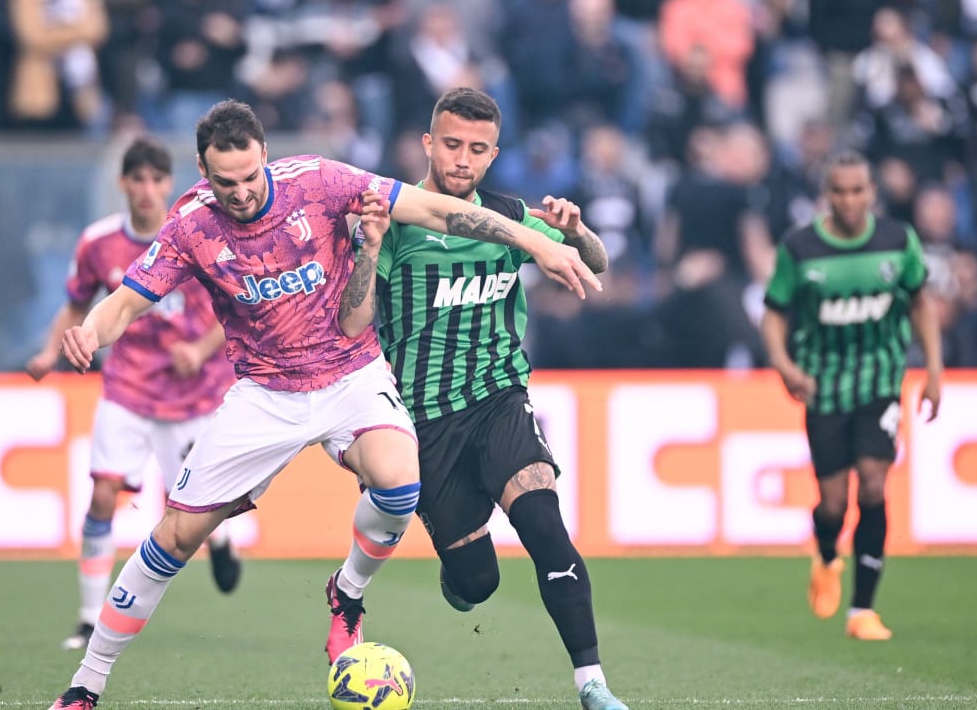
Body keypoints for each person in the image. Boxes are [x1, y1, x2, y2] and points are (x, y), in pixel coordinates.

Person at [47, 100, 601, 710]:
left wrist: (538, 243)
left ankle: (348, 593)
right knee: (174, 539)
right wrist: (89, 334)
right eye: (224, 183)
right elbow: (126, 300)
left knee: (397, 483)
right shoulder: (191, 228)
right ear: (205, 174)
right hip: (265, 393)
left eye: (250, 177)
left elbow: (438, 210)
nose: (240, 193)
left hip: (351, 375)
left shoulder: (318, 181)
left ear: (265, 156)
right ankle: (86, 685)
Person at [350, 87, 628, 710]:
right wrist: (367, 250)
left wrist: (577, 232)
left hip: (499, 397)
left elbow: (599, 263)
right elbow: (352, 321)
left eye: (477, 150)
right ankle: (461, 572)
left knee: (543, 523)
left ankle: (593, 684)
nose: (462, 160)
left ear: (494, 154)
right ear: (428, 144)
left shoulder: (511, 216)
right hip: (424, 422)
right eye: (451, 145)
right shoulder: (394, 220)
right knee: (477, 583)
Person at [26, 136, 242, 653]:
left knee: (193, 511)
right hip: (127, 390)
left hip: (193, 396)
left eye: (156, 179)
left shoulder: (194, 235)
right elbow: (76, 305)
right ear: (123, 184)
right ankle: (86, 617)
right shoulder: (98, 243)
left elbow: (235, 305)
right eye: (137, 179)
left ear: (169, 183)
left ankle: (224, 539)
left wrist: (202, 347)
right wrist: (48, 351)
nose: (147, 190)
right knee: (103, 494)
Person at [760, 150, 943, 641]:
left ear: (871, 193)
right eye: (839, 190)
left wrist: (934, 369)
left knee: (875, 486)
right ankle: (825, 555)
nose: (848, 199)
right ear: (827, 195)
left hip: (881, 380)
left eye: (857, 190)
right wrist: (784, 365)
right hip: (824, 385)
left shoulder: (896, 241)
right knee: (834, 504)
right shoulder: (801, 248)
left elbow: (921, 302)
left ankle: (862, 610)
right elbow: (774, 314)